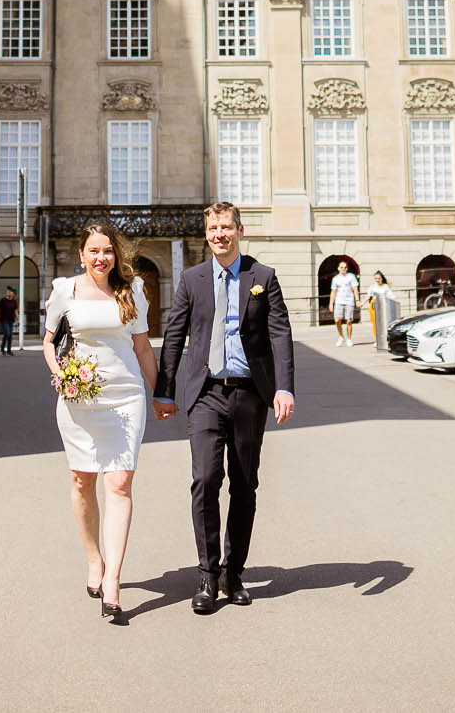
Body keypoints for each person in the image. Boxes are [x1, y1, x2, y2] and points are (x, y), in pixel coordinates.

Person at [154, 202, 295, 616]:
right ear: (207, 234)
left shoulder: (262, 277)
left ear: (240, 230)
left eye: (226, 227)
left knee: (245, 484)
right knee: (205, 479)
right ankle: (207, 574)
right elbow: (174, 336)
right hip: (206, 393)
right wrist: (165, 391)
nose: (220, 234)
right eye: (213, 228)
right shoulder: (191, 279)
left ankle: (234, 573)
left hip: (250, 393)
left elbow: (280, 334)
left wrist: (284, 387)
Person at [43, 223, 156, 621]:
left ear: (115, 254)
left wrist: (160, 393)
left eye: (107, 250)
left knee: (120, 483)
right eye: (93, 251)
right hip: (79, 398)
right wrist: (62, 375)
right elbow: (49, 342)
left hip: (126, 396)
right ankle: (95, 559)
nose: (101, 257)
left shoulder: (133, 289)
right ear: (82, 254)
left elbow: (142, 346)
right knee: (82, 479)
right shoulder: (65, 290)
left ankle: (113, 580)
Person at [329, 258, 361, 346]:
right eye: (341, 267)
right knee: (337, 320)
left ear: (347, 268)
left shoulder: (351, 276)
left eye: (345, 267)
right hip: (339, 301)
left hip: (349, 301)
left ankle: (349, 339)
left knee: (349, 321)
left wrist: (357, 300)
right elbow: (333, 292)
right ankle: (341, 336)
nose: (343, 269)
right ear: (338, 268)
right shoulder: (335, 279)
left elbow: (355, 289)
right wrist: (331, 303)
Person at [0, 287, 19, 355]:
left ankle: (8, 350)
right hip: (3, 319)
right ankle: (2, 349)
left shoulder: (14, 301)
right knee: (7, 333)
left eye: (11, 291)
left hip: (11, 320)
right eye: (8, 291)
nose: (9, 292)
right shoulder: (2, 300)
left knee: (10, 335)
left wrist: (18, 319)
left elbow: (15, 311)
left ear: (13, 294)